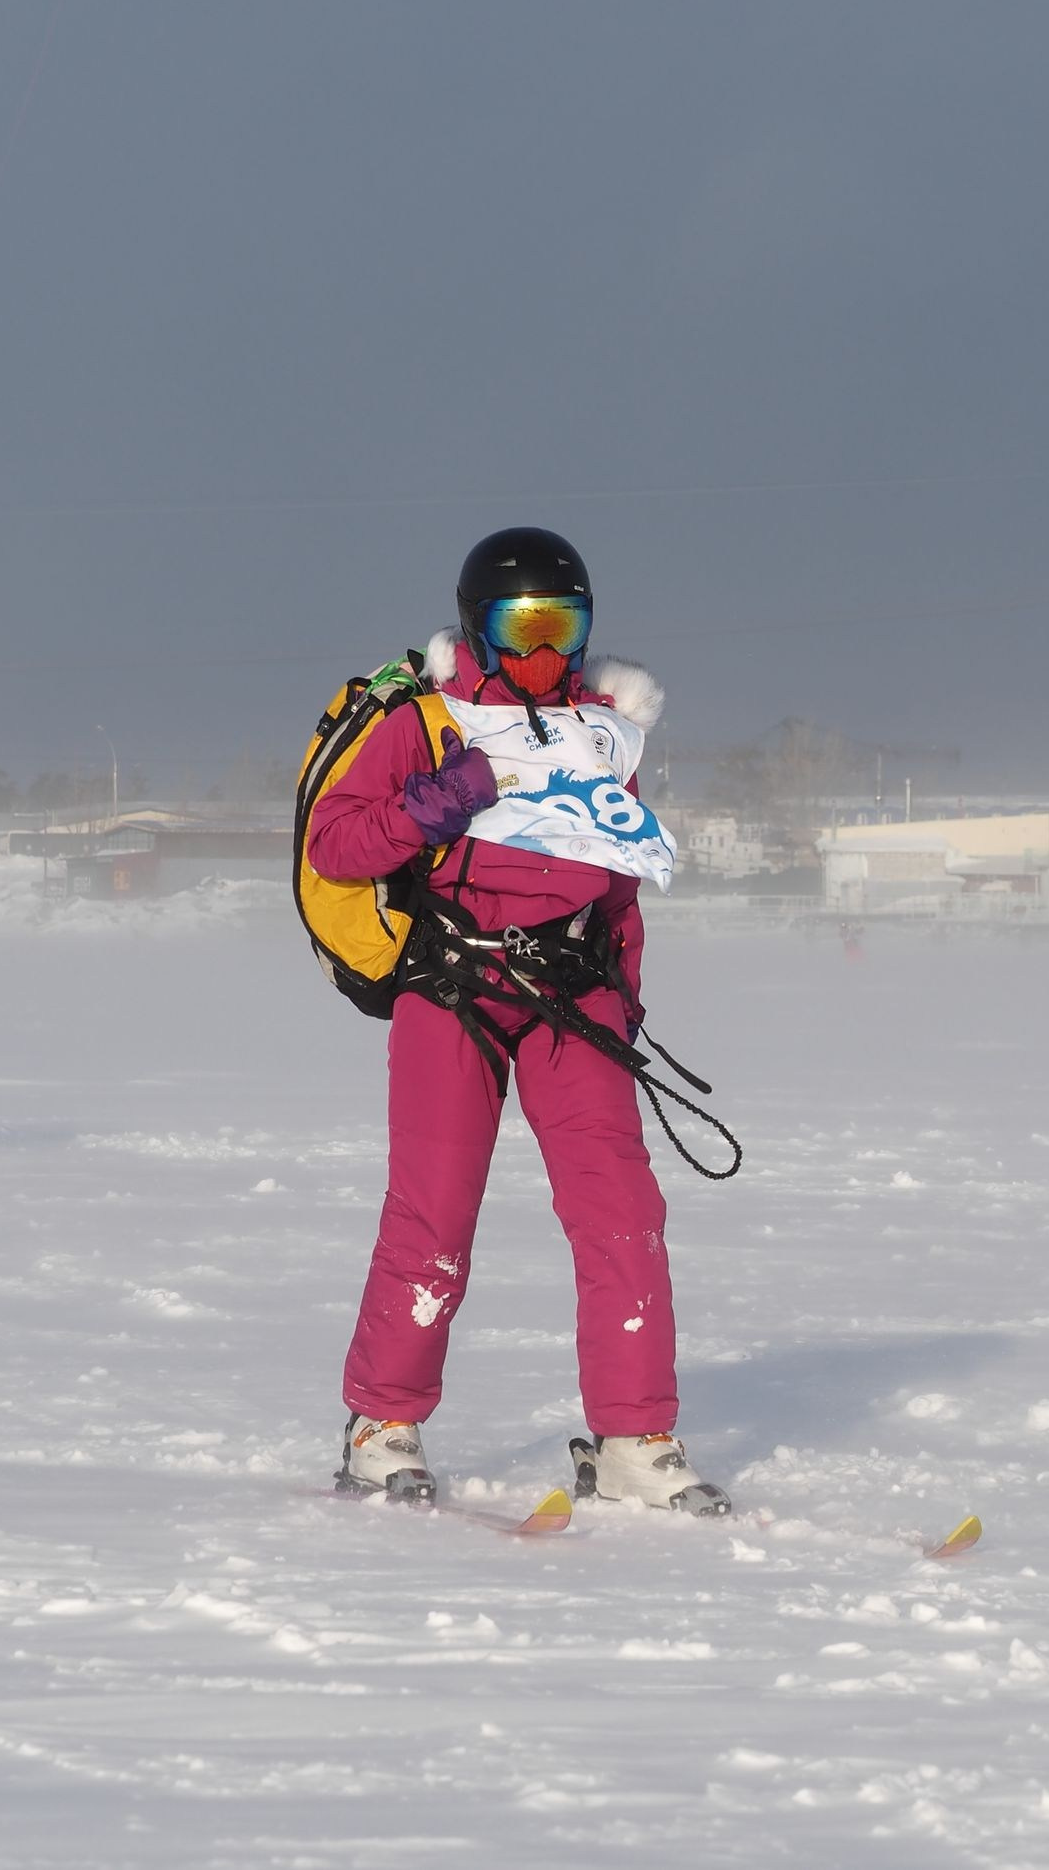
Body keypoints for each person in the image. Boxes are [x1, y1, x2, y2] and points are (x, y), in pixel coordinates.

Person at [307, 527, 726, 1514]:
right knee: (434, 1212)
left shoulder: (604, 731)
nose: (545, 654)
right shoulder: (430, 719)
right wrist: (437, 804)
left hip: (572, 996)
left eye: (562, 629)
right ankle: (382, 1426)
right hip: (450, 987)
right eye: (523, 629)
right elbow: (338, 845)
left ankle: (635, 1438)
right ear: (478, 629)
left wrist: (622, 986)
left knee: (622, 1212)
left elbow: (618, 877)